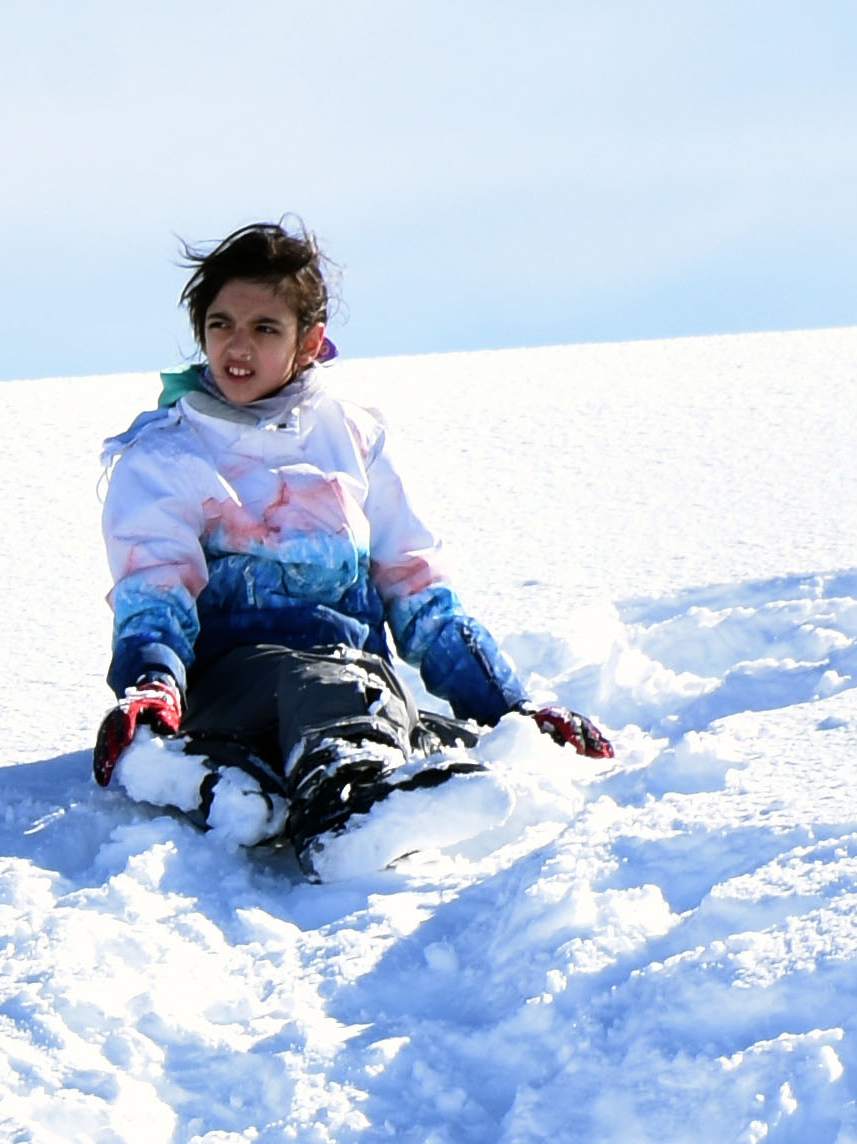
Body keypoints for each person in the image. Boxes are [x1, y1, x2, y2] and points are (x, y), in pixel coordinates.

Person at [95, 218, 618, 855]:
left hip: (353, 684)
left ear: (309, 342)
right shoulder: (166, 455)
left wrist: (513, 710)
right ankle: (340, 812)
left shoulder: (351, 436)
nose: (237, 345)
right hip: (229, 689)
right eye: (221, 324)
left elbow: (414, 587)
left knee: (429, 728)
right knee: (332, 685)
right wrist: (152, 682)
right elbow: (155, 588)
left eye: (265, 329)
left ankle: (305, 786)